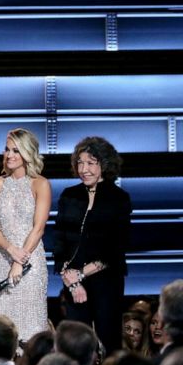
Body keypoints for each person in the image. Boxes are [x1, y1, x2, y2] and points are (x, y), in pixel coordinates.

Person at [52, 136, 132, 353]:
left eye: (90, 163)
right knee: (75, 343)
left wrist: (81, 274)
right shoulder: (69, 195)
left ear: (104, 165)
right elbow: (59, 239)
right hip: (72, 281)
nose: (83, 169)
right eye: (80, 162)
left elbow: (116, 247)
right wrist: (70, 278)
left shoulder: (118, 198)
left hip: (106, 280)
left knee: (108, 340)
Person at [0, 128, 51, 342]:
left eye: (16, 150)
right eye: (7, 149)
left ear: (27, 153)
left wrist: (20, 260)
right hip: (1, 260)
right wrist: (12, 252)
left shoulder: (40, 184)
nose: (10, 155)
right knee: (3, 328)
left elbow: (39, 228)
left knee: (32, 326)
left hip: (31, 262)